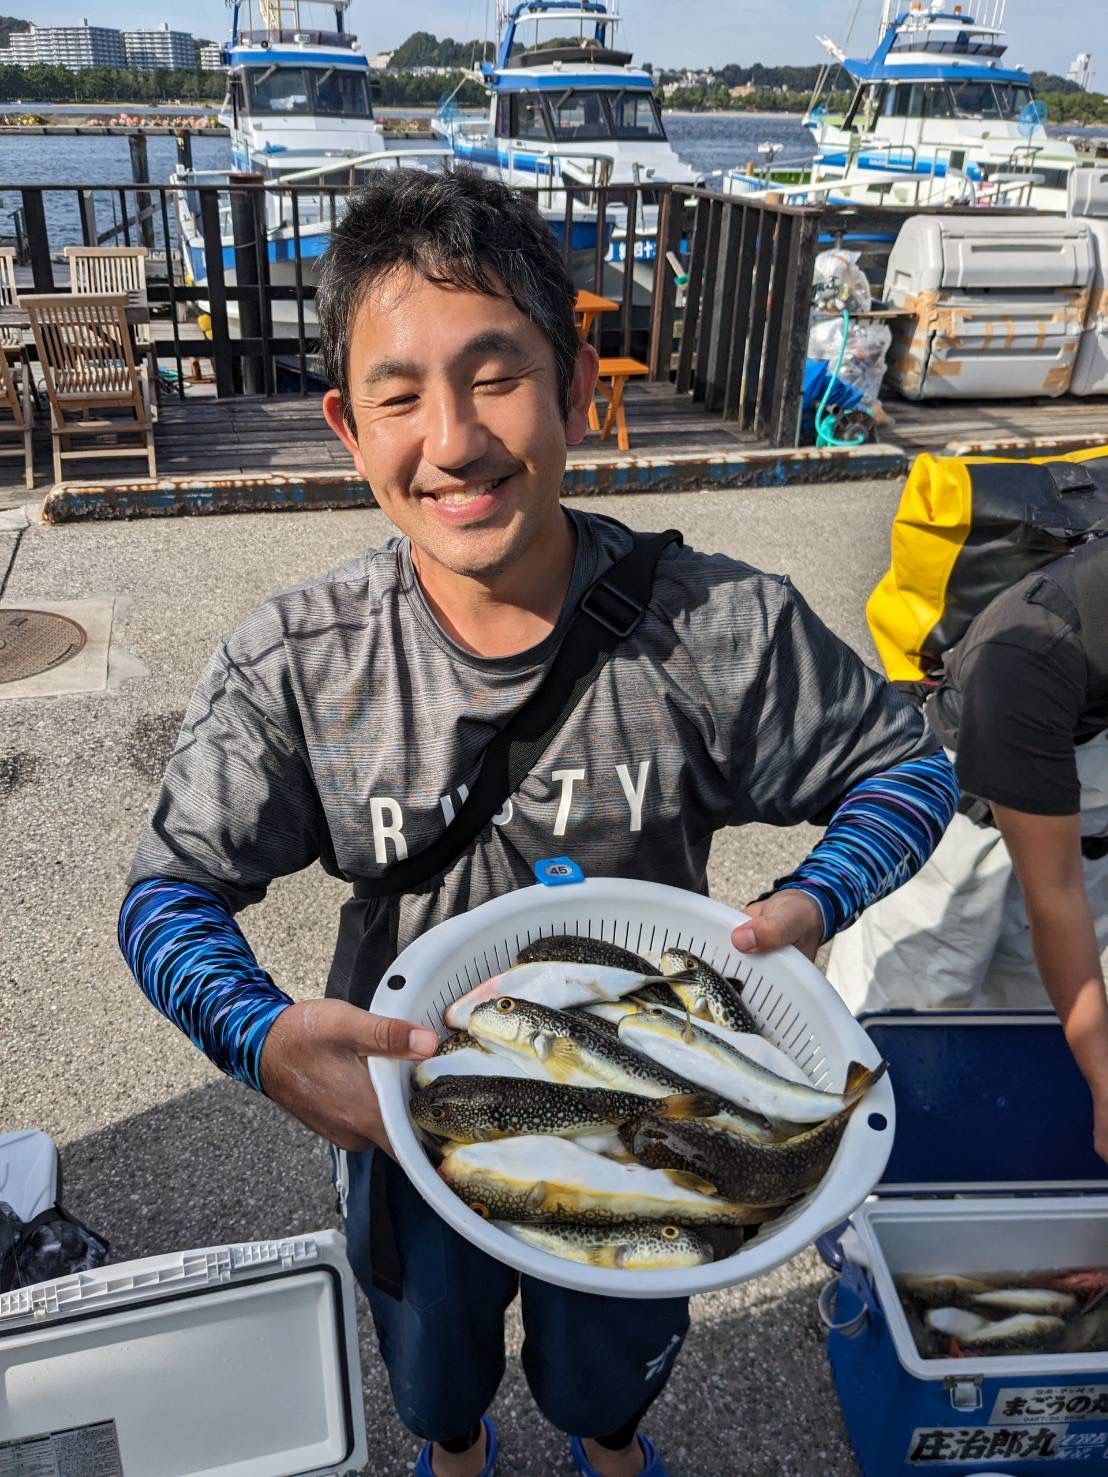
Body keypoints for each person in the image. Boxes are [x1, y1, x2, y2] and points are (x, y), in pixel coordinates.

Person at [118, 168, 956, 1477]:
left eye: (495, 375)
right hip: (408, 1111)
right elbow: (166, 895)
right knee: (430, 1360)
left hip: (654, 1102)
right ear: (349, 429)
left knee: (611, 1353)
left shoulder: (719, 627)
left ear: (573, 390)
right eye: (399, 395)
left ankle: (609, 1442)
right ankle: (456, 1449)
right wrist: (261, 1035)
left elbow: (906, 772)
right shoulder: (301, 662)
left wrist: (815, 897)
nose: (452, 440)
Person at [828, 536, 1108, 1158]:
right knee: (907, 1026)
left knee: (1030, 1023)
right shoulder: (1029, 648)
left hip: (1086, 800)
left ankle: (997, 1161)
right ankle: (869, 1184)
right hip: (965, 809)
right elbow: (1054, 897)